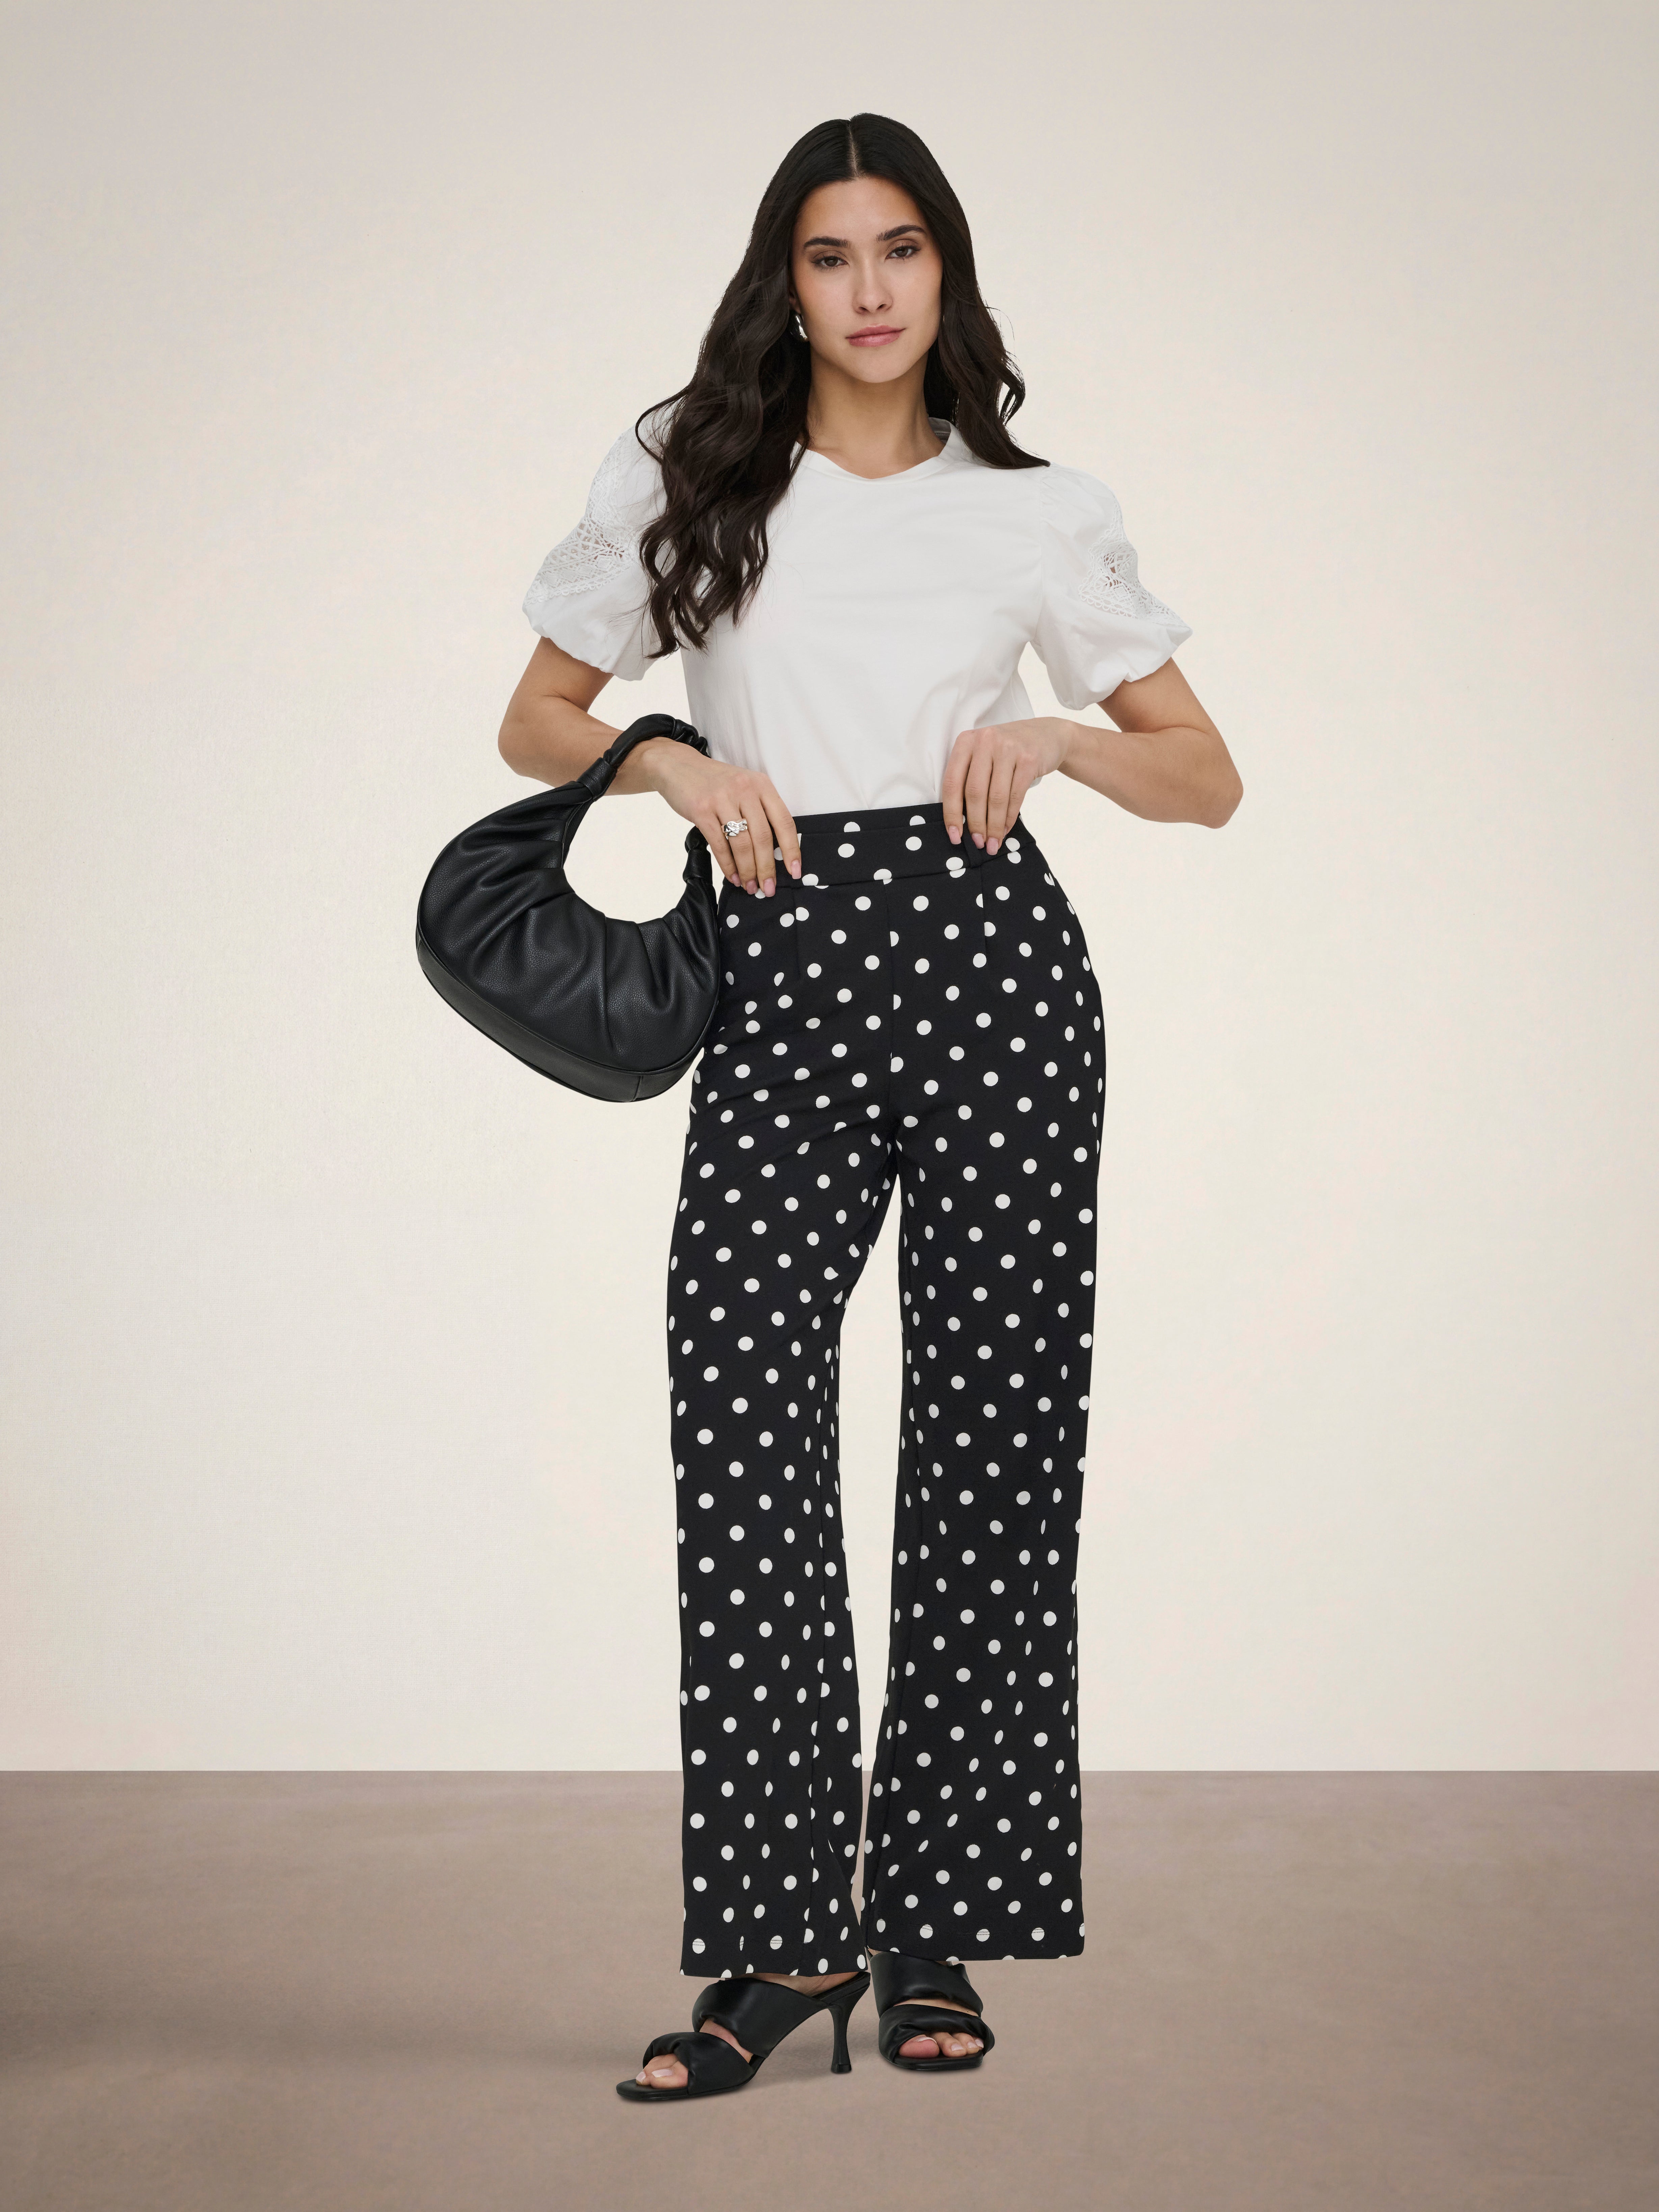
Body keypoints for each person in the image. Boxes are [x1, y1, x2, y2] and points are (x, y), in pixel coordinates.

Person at [497, 112, 1241, 2102]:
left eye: (901, 248)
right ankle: (779, 1943)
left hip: (996, 975)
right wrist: (669, 759)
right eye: (830, 256)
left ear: (946, 268)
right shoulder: (692, 475)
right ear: (787, 283)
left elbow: (1209, 777)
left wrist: (1061, 739)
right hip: (781, 968)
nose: (871, 289)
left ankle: (934, 1918)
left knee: (993, 1450)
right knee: (743, 1423)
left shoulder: (1038, 510)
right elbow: (534, 716)